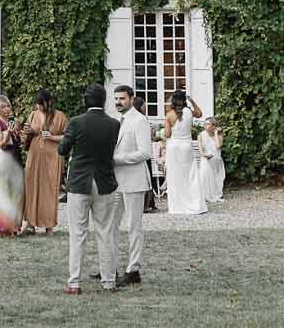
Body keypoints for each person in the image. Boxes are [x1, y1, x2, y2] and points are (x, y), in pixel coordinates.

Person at [57, 83, 123, 295]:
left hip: (80, 182)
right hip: (105, 182)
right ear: (103, 101)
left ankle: (74, 282)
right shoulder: (114, 124)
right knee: (105, 233)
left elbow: (62, 149)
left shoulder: (76, 122)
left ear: (85, 100)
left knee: (78, 234)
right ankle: (109, 281)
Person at [111, 84, 153, 284]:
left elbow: (145, 152)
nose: (119, 102)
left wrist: (117, 159)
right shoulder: (119, 120)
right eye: (116, 99)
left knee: (134, 227)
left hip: (135, 181)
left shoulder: (140, 120)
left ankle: (133, 269)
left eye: (122, 98)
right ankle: (109, 266)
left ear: (131, 98)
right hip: (116, 182)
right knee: (110, 225)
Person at [21, 91, 68, 235]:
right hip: (34, 156)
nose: (38, 106)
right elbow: (25, 137)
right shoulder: (33, 115)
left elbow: (67, 137)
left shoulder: (60, 116)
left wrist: (52, 136)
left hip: (52, 157)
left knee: (49, 189)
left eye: (41, 104)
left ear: (48, 102)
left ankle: (49, 226)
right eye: (37, 103)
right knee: (31, 187)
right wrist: (27, 132)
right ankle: (30, 224)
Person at [162, 90, 206, 216]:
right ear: (184, 100)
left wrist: (162, 135)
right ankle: (194, 203)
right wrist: (191, 100)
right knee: (190, 175)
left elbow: (167, 134)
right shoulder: (189, 112)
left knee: (175, 175)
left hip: (174, 147)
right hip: (187, 145)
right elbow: (200, 113)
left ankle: (178, 206)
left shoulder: (169, 114)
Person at [0, 96, 25, 235]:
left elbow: (21, 141)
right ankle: (4, 227)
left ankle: (15, 226)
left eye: (8, 106)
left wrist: (22, 135)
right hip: (5, 157)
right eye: (4, 107)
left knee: (17, 192)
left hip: (16, 156)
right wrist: (8, 134)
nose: (7, 109)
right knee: (4, 191)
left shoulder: (15, 121)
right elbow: (1, 144)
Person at [200, 117, 226, 205]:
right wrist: (205, 155)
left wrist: (215, 133)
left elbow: (218, 146)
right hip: (206, 159)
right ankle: (205, 194)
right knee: (205, 165)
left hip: (217, 160)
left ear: (213, 126)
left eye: (208, 124)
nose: (205, 126)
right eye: (205, 124)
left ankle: (214, 193)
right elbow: (201, 150)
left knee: (215, 161)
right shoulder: (201, 135)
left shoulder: (218, 135)